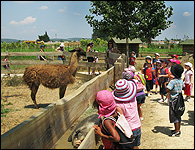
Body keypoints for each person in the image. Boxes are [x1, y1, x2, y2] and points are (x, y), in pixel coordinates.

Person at [112, 79, 141, 149]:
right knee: (135, 146)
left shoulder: (118, 105)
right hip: (138, 126)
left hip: (129, 129)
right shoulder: (134, 100)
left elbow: (120, 115)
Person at [165, 64, 185, 137]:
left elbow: (167, 89)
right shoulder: (180, 80)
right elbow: (184, 88)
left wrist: (165, 84)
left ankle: (176, 131)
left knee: (174, 115)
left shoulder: (172, 82)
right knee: (178, 114)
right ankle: (178, 129)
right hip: (180, 100)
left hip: (173, 100)